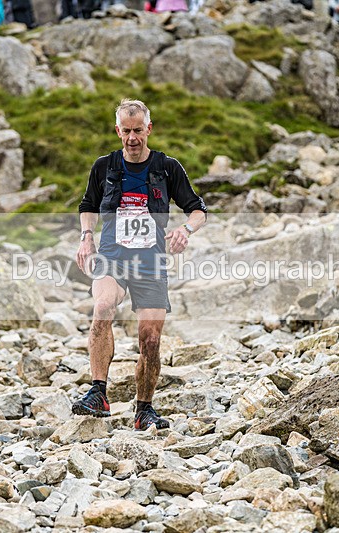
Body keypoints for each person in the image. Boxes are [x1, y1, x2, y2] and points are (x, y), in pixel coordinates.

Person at [73, 99, 207, 431]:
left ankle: (143, 409)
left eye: (138, 131)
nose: (132, 138)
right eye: (126, 131)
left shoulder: (167, 167)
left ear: (149, 129)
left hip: (150, 265)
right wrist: (86, 237)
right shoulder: (104, 166)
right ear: (117, 131)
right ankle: (98, 392)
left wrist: (184, 230)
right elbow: (88, 204)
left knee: (150, 339)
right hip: (112, 258)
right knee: (103, 306)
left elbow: (198, 210)